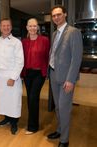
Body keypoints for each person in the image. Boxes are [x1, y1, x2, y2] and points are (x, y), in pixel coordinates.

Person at [47, 5, 83, 147]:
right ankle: (60, 129)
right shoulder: (55, 33)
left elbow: (76, 58)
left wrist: (71, 79)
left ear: (65, 14)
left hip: (66, 78)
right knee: (57, 107)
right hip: (54, 74)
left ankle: (64, 139)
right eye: (54, 15)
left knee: (64, 107)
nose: (56, 17)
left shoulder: (73, 32)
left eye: (59, 14)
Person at [0, 18, 24, 135]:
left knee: (13, 100)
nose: (5, 28)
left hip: (12, 75)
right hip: (0, 75)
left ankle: (14, 122)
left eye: (8, 26)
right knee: (3, 99)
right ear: (0, 27)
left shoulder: (16, 42)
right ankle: (6, 118)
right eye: (3, 26)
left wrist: (13, 77)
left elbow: (20, 61)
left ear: (11, 27)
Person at [21, 18, 50, 135]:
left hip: (39, 74)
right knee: (30, 98)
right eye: (30, 26)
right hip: (27, 74)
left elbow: (48, 56)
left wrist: (48, 72)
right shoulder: (23, 42)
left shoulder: (45, 40)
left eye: (34, 26)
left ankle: (33, 127)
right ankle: (32, 123)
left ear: (37, 27)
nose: (32, 28)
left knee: (33, 97)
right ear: (27, 28)